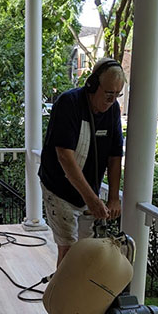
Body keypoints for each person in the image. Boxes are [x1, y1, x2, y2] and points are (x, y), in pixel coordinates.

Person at [39, 58, 125, 269]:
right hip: (59, 190)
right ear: (92, 85)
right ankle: (60, 300)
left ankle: (81, 298)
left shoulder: (113, 111)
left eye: (117, 95)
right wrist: (92, 200)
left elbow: (115, 156)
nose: (112, 100)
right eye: (108, 94)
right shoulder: (68, 104)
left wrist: (113, 198)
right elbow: (64, 156)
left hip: (88, 193)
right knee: (68, 250)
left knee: (86, 249)